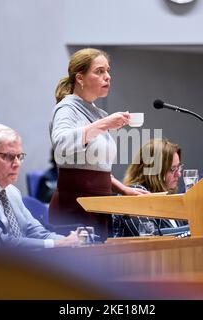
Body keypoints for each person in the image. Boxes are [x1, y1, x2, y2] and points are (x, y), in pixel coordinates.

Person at [49, 48, 148, 241]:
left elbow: (95, 168)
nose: (108, 77)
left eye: (108, 71)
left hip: (99, 203)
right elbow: (61, 144)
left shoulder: (93, 112)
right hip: (74, 205)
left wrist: (123, 189)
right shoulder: (66, 108)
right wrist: (104, 124)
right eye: (99, 71)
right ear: (80, 78)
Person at [113, 139, 189, 237]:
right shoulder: (134, 195)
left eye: (179, 167)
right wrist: (195, 228)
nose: (178, 174)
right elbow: (151, 236)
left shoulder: (168, 198)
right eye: (172, 169)